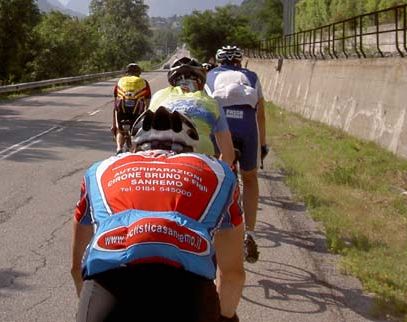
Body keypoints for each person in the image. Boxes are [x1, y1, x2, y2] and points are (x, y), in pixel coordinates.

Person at [71, 106, 245, 322]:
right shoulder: (219, 172)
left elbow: (76, 267)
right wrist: (225, 317)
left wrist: (86, 303)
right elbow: (232, 275)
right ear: (191, 148)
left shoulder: (99, 169)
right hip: (188, 295)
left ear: (135, 147)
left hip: (108, 291)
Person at [205, 45, 269, 264]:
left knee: (216, 178)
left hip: (222, 128)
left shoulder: (210, 75)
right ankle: (249, 233)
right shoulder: (251, 76)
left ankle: (210, 229)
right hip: (247, 129)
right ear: (240, 62)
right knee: (250, 179)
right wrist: (263, 145)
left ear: (219, 62)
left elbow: (206, 109)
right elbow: (260, 114)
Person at [149, 56, 235, 166]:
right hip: (200, 164)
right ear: (201, 82)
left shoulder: (158, 96)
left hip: (160, 163)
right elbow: (228, 155)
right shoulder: (212, 103)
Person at [111, 63, 151, 154]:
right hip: (137, 111)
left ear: (127, 72)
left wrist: (114, 125)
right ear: (139, 73)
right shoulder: (143, 81)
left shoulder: (120, 81)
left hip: (121, 109)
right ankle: (133, 151)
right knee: (136, 132)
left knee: (120, 131)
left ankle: (119, 148)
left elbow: (115, 102)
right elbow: (147, 103)